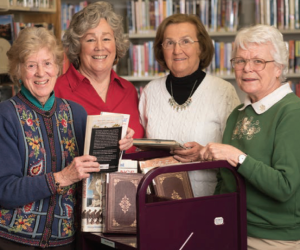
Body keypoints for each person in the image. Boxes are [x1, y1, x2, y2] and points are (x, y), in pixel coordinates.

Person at [0, 27, 133, 249]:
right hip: (14, 241)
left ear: (58, 67)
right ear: (18, 70)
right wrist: (61, 178)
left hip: (66, 241)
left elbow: (96, 173)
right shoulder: (6, 115)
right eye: (31, 65)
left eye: (47, 63)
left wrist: (119, 145)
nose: (41, 73)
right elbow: (4, 190)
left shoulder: (76, 113)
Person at [199, 24, 300, 250]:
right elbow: (226, 180)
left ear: (278, 68)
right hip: (230, 228)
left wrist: (238, 157)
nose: (247, 68)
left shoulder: (293, 112)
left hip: (273, 238)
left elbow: (284, 186)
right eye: (240, 61)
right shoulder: (238, 113)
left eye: (258, 61)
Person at [139, 13, 240, 197]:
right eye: (169, 43)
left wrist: (203, 152)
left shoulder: (223, 91)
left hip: (210, 200)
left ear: (201, 47)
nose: (177, 50)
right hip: (159, 202)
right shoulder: (149, 92)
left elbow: (237, 153)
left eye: (185, 41)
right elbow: (142, 149)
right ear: (162, 49)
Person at [54, 1, 144, 153]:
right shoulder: (56, 90)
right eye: (90, 39)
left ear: (116, 44)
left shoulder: (129, 91)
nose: (99, 47)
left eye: (106, 39)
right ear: (77, 46)